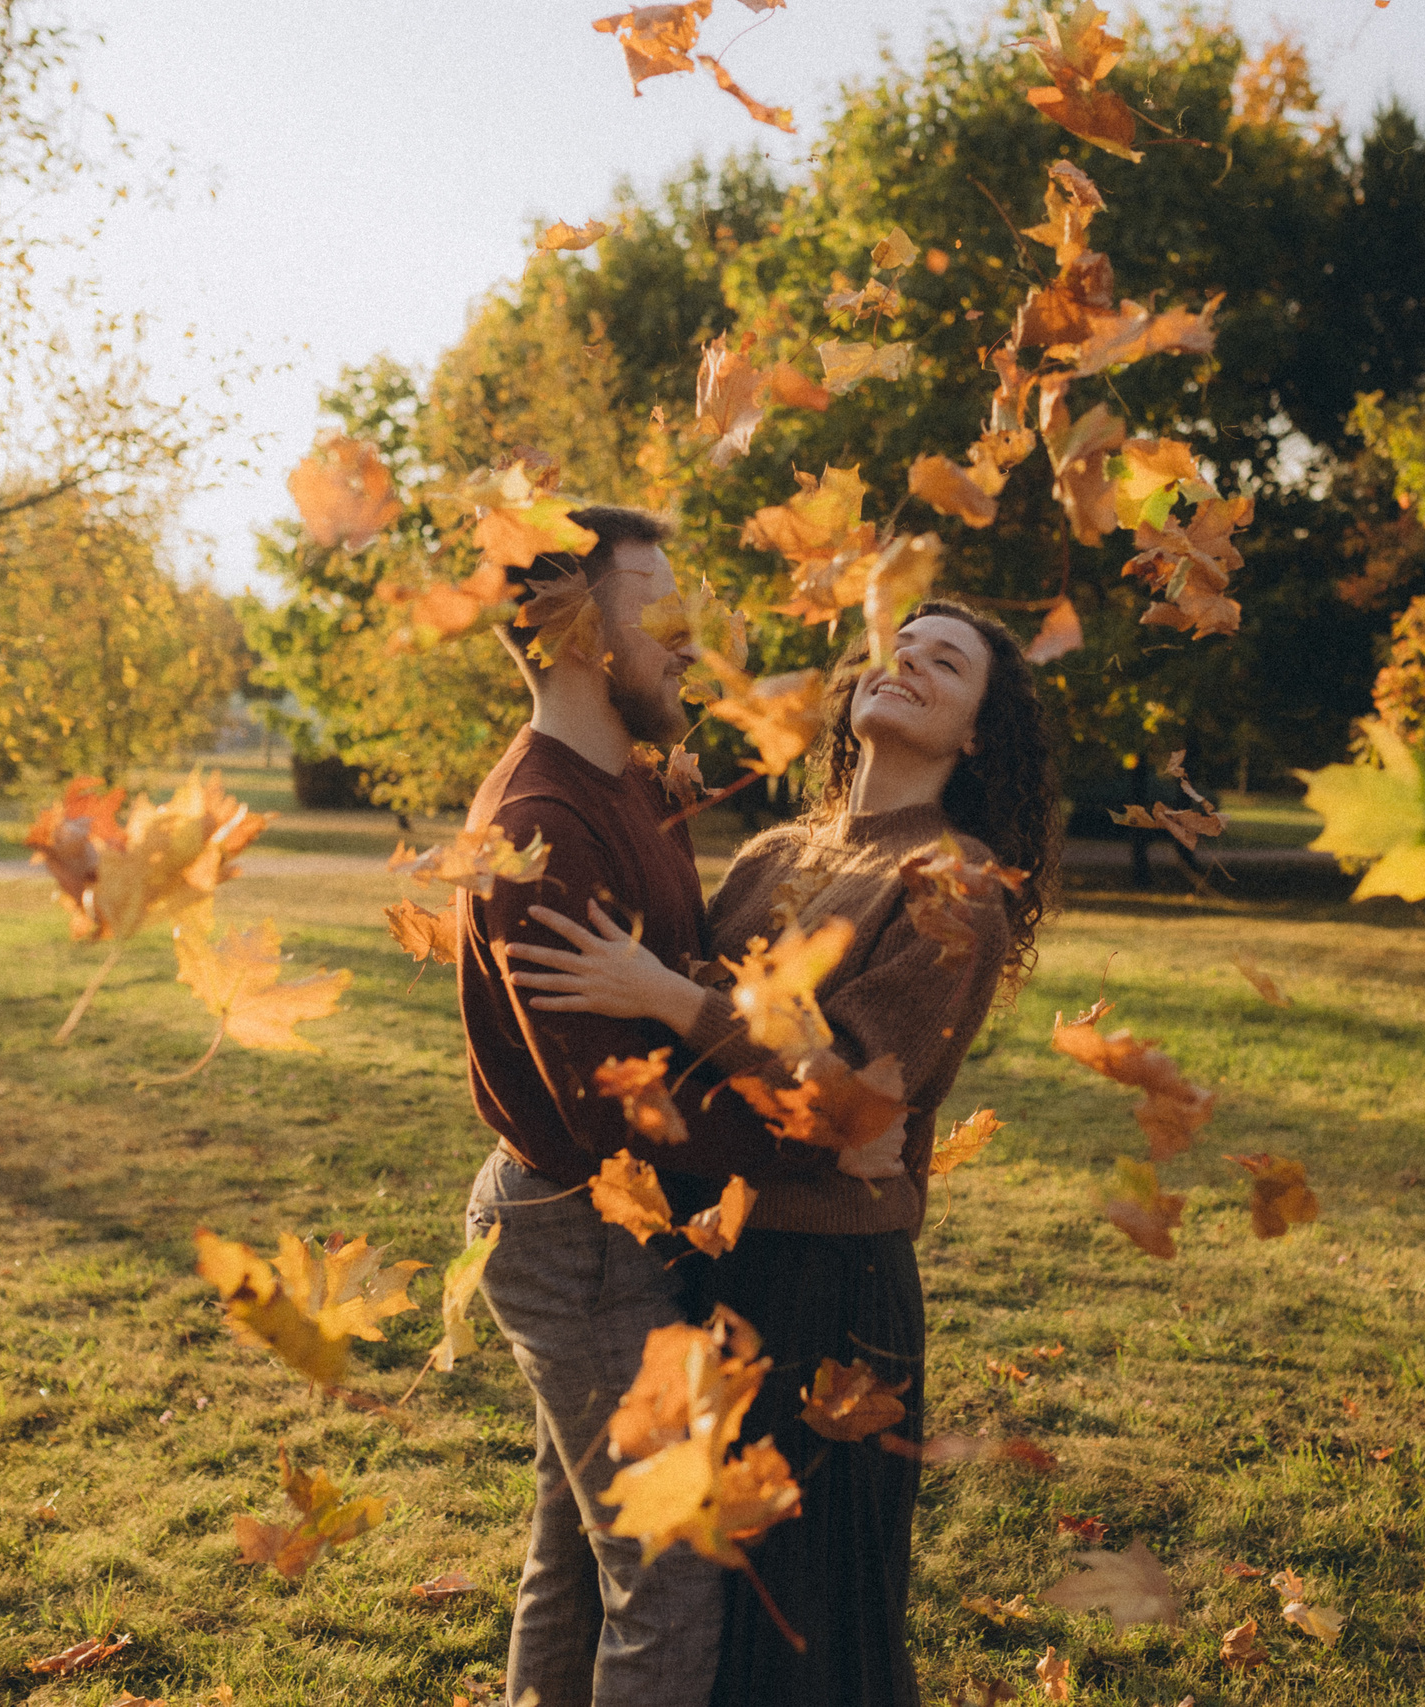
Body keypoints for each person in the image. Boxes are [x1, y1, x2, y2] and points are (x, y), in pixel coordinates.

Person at [505, 598, 1061, 1706]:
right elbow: (728, 1073)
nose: (904, 662)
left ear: (977, 736)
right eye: (898, 646)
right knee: (665, 1574)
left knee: (802, 1617)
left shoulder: (954, 884)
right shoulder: (775, 852)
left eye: (943, 664)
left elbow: (850, 1103)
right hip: (702, 1261)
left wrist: (670, 998)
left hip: (827, 1293)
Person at [451, 506, 835, 1707]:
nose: (685, 632)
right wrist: (809, 1138)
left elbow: (691, 978)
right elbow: (616, 1116)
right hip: (579, 1230)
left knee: (574, 1559)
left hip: (605, 1228)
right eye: (655, 601)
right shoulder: (542, 827)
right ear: (574, 632)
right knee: (665, 1572)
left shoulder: (628, 784)